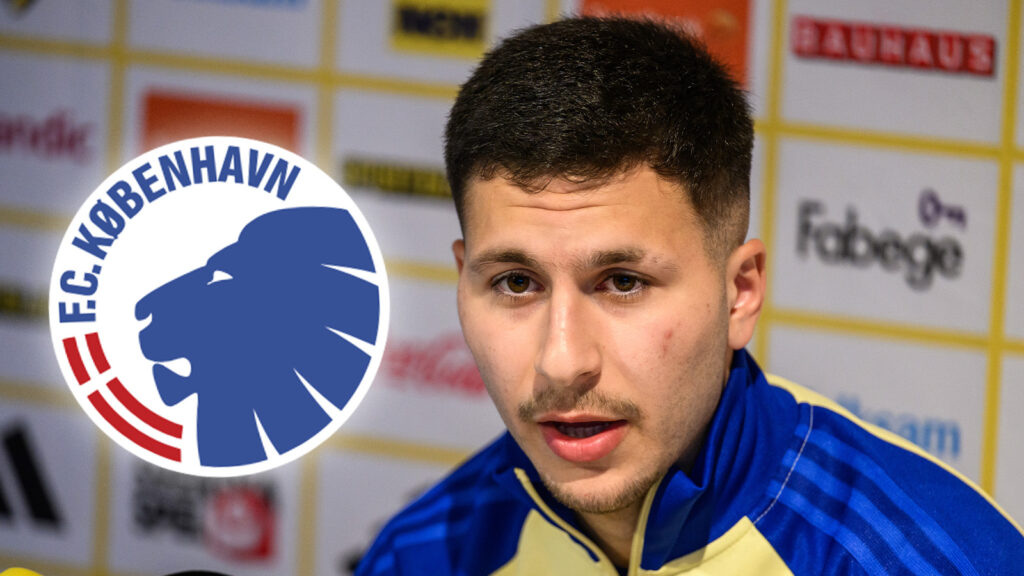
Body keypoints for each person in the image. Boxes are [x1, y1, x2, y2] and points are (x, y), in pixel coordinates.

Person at [355, 16, 1024, 575]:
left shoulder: (931, 559)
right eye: (517, 283)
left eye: (623, 282)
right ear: (463, 280)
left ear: (740, 293)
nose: (561, 361)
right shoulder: (420, 556)